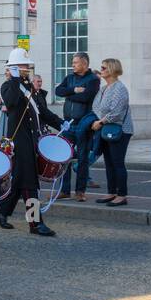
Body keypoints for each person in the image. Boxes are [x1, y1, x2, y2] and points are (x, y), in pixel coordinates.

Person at [0, 47, 62, 236]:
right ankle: (35, 223)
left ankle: (1, 212)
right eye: (22, 66)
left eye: (26, 65)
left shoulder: (28, 86)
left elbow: (42, 111)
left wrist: (61, 123)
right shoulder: (8, 86)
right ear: (14, 67)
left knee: (20, 181)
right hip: (18, 141)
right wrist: (14, 79)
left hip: (31, 140)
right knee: (30, 183)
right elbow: (12, 102)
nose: (26, 68)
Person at [54, 53, 99, 201]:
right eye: (72, 62)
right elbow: (58, 91)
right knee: (64, 157)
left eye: (76, 63)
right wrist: (73, 90)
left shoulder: (93, 79)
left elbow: (86, 98)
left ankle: (80, 191)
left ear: (85, 64)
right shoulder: (70, 77)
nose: (72, 65)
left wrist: (68, 94)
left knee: (82, 158)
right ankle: (64, 190)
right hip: (68, 124)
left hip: (83, 124)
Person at [91, 59, 134, 206]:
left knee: (118, 163)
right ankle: (111, 192)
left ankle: (122, 195)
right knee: (108, 163)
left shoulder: (119, 88)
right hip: (105, 128)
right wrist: (99, 120)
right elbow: (96, 106)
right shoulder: (104, 88)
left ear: (111, 69)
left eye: (103, 67)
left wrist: (101, 121)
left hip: (120, 130)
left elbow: (116, 112)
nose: (101, 69)